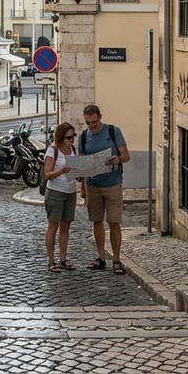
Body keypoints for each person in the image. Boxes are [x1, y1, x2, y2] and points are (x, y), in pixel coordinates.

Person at [78, 104, 130, 275]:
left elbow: (126, 156)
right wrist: (83, 186)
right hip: (93, 185)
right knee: (96, 221)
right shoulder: (84, 137)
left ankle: (116, 259)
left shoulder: (113, 131)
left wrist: (117, 159)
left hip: (113, 183)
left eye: (93, 122)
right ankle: (100, 257)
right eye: (88, 123)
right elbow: (82, 163)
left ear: (100, 117)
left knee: (114, 222)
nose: (91, 126)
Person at [43, 122, 79, 272]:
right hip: (55, 192)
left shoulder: (73, 150)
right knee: (53, 226)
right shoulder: (53, 151)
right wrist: (61, 171)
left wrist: (80, 173)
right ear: (60, 137)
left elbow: (75, 173)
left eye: (73, 137)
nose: (71, 140)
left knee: (66, 226)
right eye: (69, 137)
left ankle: (63, 259)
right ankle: (51, 261)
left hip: (70, 192)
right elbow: (47, 174)